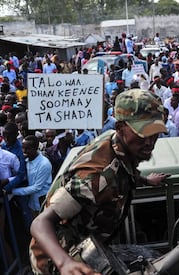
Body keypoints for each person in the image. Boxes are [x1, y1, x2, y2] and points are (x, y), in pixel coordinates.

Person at [29, 89, 171, 274]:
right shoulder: (94, 177)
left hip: (89, 247)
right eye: (143, 134)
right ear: (120, 128)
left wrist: (145, 180)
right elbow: (40, 223)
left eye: (155, 134)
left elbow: (122, 170)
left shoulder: (115, 141)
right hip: (58, 258)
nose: (150, 142)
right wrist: (64, 263)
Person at [12, 135, 52, 216]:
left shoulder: (44, 164)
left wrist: (13, 192)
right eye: (23, 148)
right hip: (31, 203)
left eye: (27, 149)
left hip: (41, 203)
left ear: (35, 148)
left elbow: (36, 187)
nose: (24, 151)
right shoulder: (26, 160)